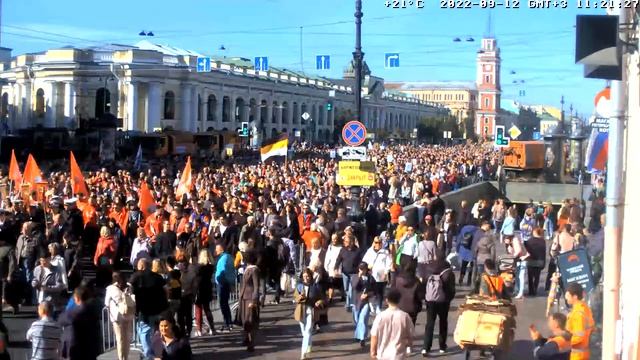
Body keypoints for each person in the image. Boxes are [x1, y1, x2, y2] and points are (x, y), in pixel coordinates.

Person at [129, 258, 168, 360]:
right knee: (157, 332)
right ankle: (158, 353)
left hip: (143, 310)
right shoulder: (158, 277)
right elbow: (165, 290)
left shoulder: (136, 277)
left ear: (140, 266)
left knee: (144, 333)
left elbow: (130, 292)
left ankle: (149, 355)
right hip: (158, 308)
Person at [422, 258, 456, 357]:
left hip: (430, 301)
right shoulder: (448, 273)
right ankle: (442, 346)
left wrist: (426, 297)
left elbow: (424, 285)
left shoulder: (429, 270)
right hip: (443, 302)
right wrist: (448, 298)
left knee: (430, 323)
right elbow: (451, 289)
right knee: (443, 322)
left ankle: (426, 347)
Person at [370, 288, 415, 360]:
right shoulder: (405, 316)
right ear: (399, 300)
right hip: (399, 355)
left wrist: (373, 352)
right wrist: (408, 346)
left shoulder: (380, 316)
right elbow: (410, 335)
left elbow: (374, 336)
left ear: (386, 300)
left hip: (382, 354)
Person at [58, 286, 101, 360]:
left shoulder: (73, 312)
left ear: (76, 298)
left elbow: (61, 320)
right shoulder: (93, 311)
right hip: (91, 348)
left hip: (76, 349)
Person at [294, 268, 325, 360]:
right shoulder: (299, 286)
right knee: (304, 332)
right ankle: (309, 344)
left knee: (307, 332)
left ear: (311, 276)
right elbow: (295, 297)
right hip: (301, 311)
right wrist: (299, 297)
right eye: (304, 277)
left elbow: (323, 298)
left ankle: (303, 354)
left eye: (307, 276)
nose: (306, 278)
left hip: (311, 310)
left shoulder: (316, 287)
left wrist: (319, 302)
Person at [104, 272, 135, 360]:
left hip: (117, 317)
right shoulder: (129, 286)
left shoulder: (110, 289)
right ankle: (126, 356)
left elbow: (106, 303)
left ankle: (122, 358)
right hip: (128, 314)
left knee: (120, 339)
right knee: (127, 339)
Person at [361, 236, 393, 315]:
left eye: (379, 242)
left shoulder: (385, 252)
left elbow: (389, 262)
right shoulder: (370, 251)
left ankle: (378, 307)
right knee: (372, 292)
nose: (378, 244)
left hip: (381, 277)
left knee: (380, 293)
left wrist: (386, 271)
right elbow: (364, 261)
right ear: (373, 243)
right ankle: (372, 308)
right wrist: (367, 267)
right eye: (376, 242)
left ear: (382, 243)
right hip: (372, 276)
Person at [564, 282, 595, 360]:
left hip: (577, 354)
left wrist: (564, 342)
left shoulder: (578, 314)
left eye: (568, 296)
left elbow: (579, 336)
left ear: (575, 297)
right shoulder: (584, 308)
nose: (566, 298)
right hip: (583, 351)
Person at [238, 250, 260, 352]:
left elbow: (256, 287)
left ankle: (252, 343)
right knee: (244, 321)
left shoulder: (254, 270)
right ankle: (246, 338)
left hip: (250, 298)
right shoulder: (247, 268)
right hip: (243, 297)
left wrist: (254, 301)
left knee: (250, 321)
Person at [351, 262, 374, 348]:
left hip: (366, 302)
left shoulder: (370, 278)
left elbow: (374, 290)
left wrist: (367, 295)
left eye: (363, 269)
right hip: (356, 302)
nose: (362, 271)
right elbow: (354, 286)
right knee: (357, 319)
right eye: (360, 269)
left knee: (363, 319)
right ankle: (358, 334)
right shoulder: (355, 277)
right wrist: (359, 277)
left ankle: (362, 338)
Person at [193, 249, 215, 336]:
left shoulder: (199, 267)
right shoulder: (211, 266)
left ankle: (199, 330)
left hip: (199, 289)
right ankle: (212, 328)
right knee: (207, 309)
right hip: (207, 288)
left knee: (198, 309)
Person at [214, 243, 235, 332]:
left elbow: (222, 271)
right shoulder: (229, 257)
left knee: (223, 304)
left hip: (222, 283)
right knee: (225, 304)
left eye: (216, 249)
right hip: (227, 282)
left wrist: (218, 280)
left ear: (220, 250)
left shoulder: (223, 259)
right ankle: (228, 322)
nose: (215, 251)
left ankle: (227, 323)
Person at [525, 228, 547, 296]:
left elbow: (527, 251)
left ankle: (531, 291)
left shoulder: (529, 241)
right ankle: (535, 289)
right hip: (539, 261)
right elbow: (544, 253)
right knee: (537, 276)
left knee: (530, 277)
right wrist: (543, 262)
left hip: (531, 261)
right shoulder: (543, 241)